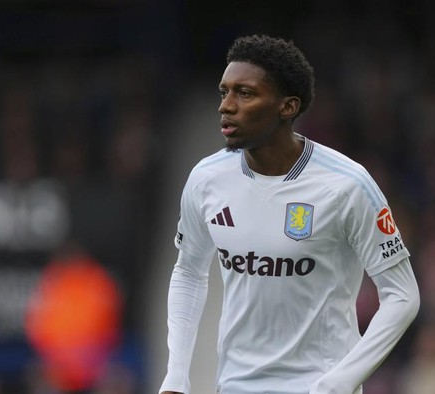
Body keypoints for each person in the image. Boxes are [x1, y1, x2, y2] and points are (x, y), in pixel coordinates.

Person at [159, 34, 420, 394]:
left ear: (288, 107)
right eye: (224, 92)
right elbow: (188, 271)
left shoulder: (347, 186)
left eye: (245, 93)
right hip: (235, 387)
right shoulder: (206, 180)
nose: (226, 106)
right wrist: (176, 375)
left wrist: (340, 382)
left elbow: (403, 295)